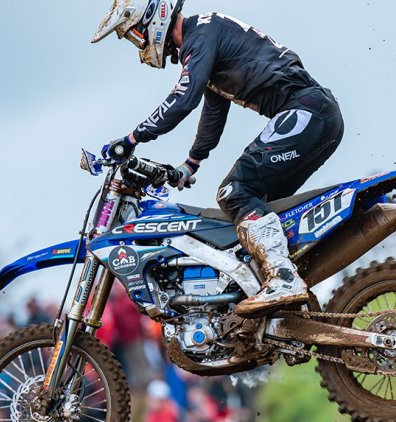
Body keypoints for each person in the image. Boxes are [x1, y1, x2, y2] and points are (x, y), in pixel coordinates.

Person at [92, 0, 345, 317]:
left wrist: (132, 138)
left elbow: (183, 100)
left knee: (234, 192)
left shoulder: (200, 37)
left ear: (153, 18)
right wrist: (191, 163)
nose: (138, 44)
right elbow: (213, 112)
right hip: (316, 113)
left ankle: (283, 279)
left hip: (305, 111)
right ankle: (284, 304)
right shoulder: (206, 36)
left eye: (134, 35)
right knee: (259, 207)